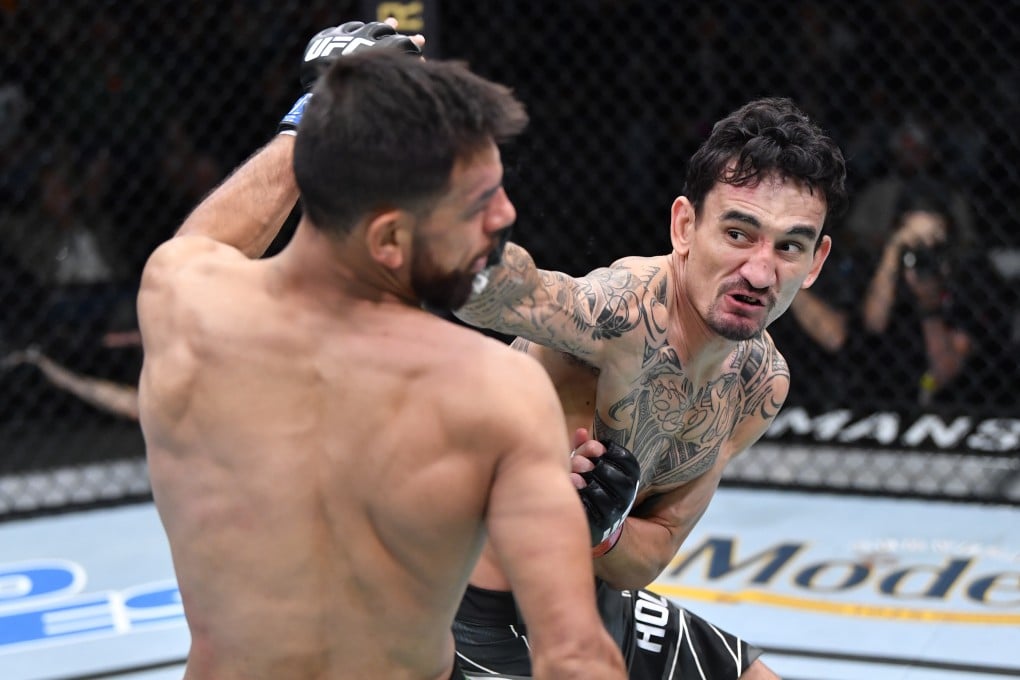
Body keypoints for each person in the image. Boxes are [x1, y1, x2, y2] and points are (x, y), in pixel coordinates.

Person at [137, 22, 626, 680]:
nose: (506, 216)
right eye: (478, 203)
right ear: (391, 239)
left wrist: (324, 110)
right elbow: (572, 656)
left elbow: (204, 243)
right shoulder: (491, 389)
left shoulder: (184, 306)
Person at [451, 96, 848, 679]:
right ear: (684, 226)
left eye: (789, 246)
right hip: (460, 603)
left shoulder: (759, 382)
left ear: (815, 261)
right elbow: (506, 292)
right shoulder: (623, 315)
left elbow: (652, 552)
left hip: (583, 597)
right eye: (739, 233)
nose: (761, 273)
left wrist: (605, 530)